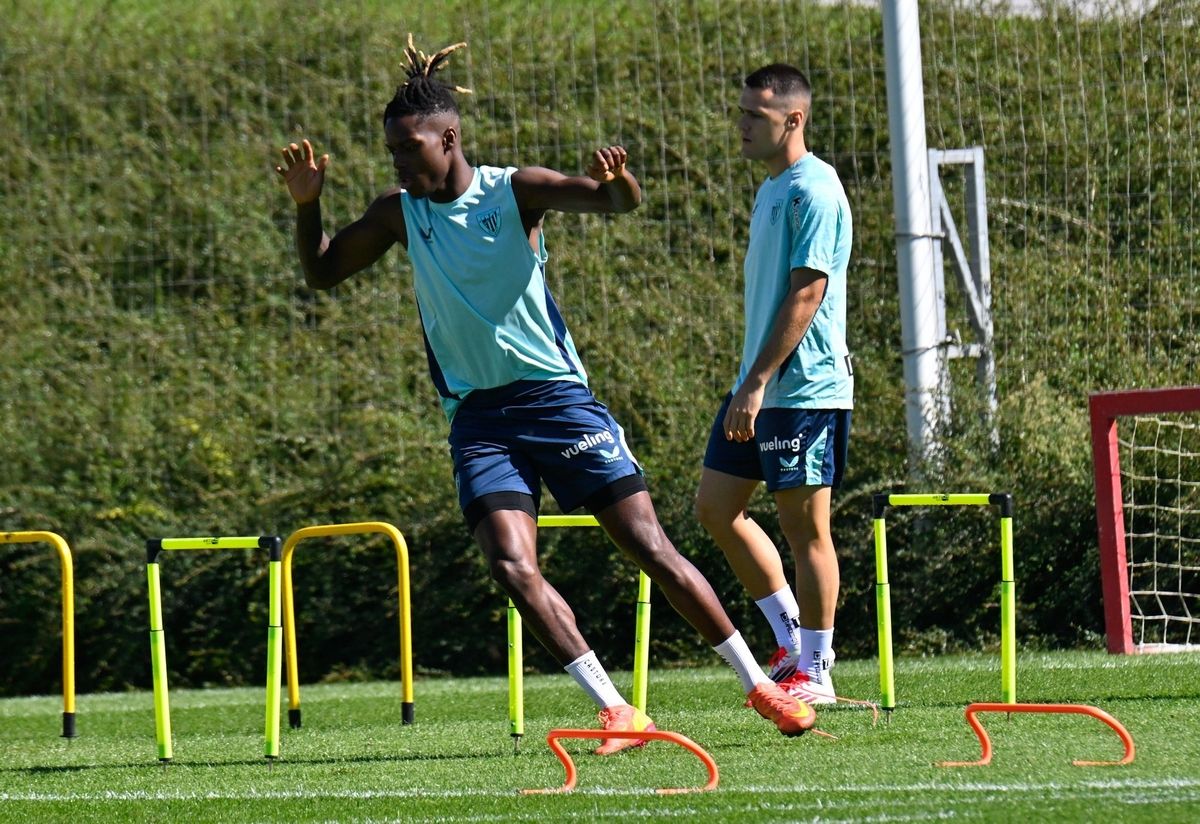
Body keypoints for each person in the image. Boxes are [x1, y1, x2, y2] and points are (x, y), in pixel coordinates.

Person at [275, 37, 815, 752]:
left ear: (449, 137)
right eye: (391, 151)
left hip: (556, 400)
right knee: (510, 564)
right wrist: (307, 207)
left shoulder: (513, 189)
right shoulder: (399, 213)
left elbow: (613, 203)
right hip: (478, 417)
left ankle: (759, 684)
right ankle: (618, 711)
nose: (399, 162)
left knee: (648, 545)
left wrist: (617, 184)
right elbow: (321, 274)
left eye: (410, 148)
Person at [694, 64, 853, 706]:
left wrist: (758, 381)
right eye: (740, 114)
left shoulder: (814, 190)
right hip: (757, 386)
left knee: (805, 527)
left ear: (794, 119)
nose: (740, 127)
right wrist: (750, 383)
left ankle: (817, 670)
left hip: (803, 389)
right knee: (715, 508)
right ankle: (791, 639)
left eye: (753, 117)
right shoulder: (771, 188)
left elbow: (808, 292)